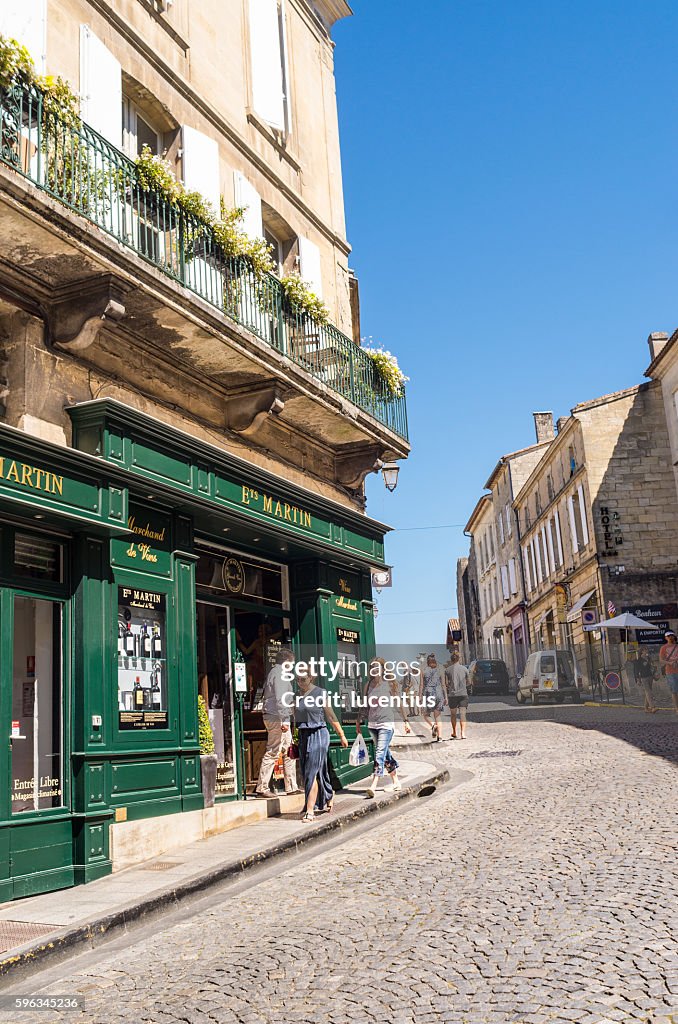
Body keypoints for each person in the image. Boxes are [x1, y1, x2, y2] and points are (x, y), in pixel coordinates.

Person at [295, 665, 348, 822]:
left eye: (303, 679)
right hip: (304, 736)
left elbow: (330, 715)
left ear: (311, 677)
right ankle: (329, 794)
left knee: (311, 771)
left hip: (319, 734)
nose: (300, 683)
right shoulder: (296, 695)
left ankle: (310, 810)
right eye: (297, 680)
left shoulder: (320, 693)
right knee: (313, 772)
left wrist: (342, 735)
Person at [357, 657, 411, 799]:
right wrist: (358, 720)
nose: (374, 670)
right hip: (372, 725)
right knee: (385, 754)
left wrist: (406, 721)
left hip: (386, 724)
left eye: (377, 667)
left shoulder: (389, 684)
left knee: (379, 753)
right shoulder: (368, 685)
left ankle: (374, 784)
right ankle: (396, 781)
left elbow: (399, 703)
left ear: (382, 669)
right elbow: (365, 705)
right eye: (372, 667)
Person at [255, 648, 299, 797]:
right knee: (273, 750)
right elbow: (281, 699)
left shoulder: (277, 673)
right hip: (277, 717)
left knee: (289, 751)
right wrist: (285, 720)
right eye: (292, 663)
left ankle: (291, 786)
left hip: (275, 715)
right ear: (287, 662)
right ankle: (262, 787)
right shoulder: (280, 674)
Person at [420, 653, 445, 740]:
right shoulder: (440, 670)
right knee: (438, 716)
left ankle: (433, 725)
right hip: (439, 693)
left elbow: (421, 685)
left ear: (427, 662)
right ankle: (440, 737)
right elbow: (443, 685)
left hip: (429, 694)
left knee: (426, 714)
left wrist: (420, 696)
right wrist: (446, 697)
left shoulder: (423, 670)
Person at [444, 652, 470, 739]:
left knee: (453, 714)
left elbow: (446, 683)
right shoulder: (465, 669)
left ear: (451, 660)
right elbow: (469, 682)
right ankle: (463, 733)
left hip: (452, 695)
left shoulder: (447, 670)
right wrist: (463, 686)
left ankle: (454, 732)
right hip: (463, 694)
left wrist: (450, 686)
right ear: (459, 659)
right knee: (463, 714)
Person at [659, 630, 678, 714]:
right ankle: (677, 708)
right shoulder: (663, 648)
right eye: (668, 635)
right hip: (670, 672)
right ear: (666, 638)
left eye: (672, 635)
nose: (670, 637)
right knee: (674, 690)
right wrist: (670, 663)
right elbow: (661, 660)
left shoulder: (677, 646)